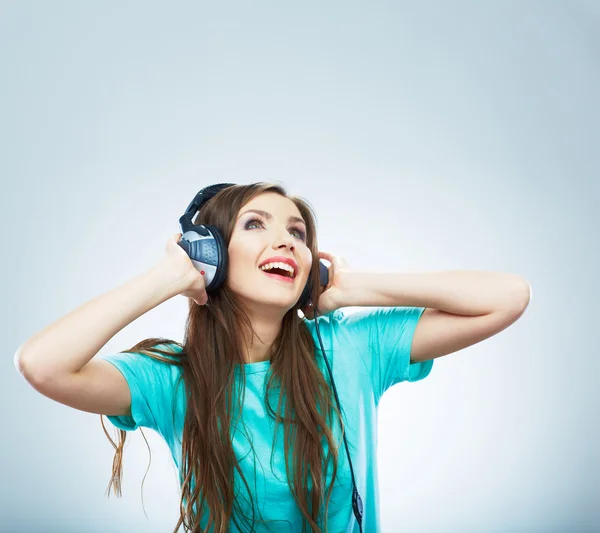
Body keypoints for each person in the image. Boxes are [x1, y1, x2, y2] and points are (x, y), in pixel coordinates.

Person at [14, 182, 530, 532]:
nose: (285, 240)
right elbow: (42, 364)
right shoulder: (170, 379)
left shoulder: (349, 346)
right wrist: (168, 278)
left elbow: (506, 297)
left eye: (298, 233)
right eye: (255, 224)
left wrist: (349, 288)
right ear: (209, 253)